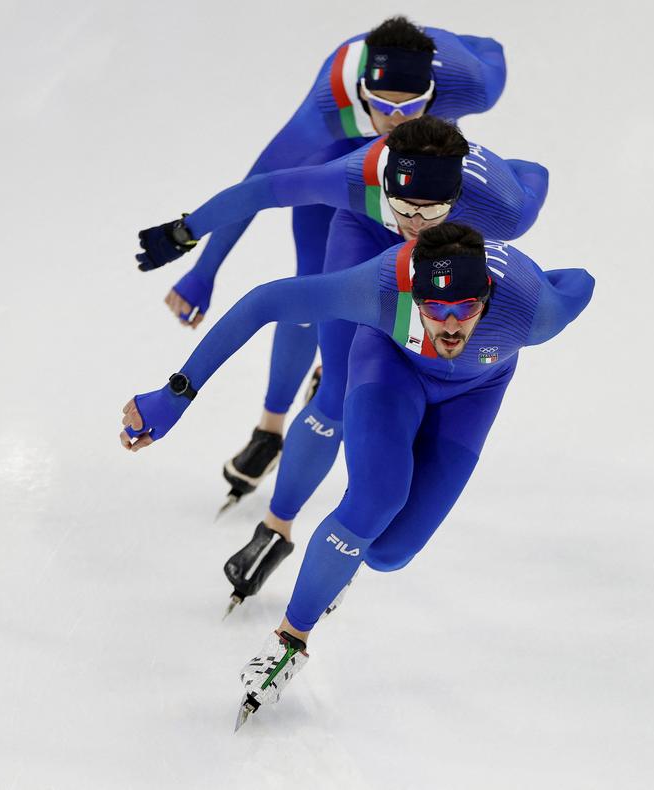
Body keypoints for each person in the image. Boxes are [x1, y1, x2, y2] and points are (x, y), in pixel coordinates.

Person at [119, 222, 595, 726]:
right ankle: (289, 640)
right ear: (416, 297)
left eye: (466, 309)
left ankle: (344, 551)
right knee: (376, 500)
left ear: (489, 295)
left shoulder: (536, 310)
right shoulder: (381, 288)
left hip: (474, 394)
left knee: (390, 553)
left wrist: (528, 275)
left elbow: (580, 280)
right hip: (389, 367)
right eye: (436, 310)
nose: (452, 326)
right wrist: (177, 393)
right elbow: (263, 303)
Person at [135, 116, 550, 608]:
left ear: (459, 199)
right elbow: (265, 187)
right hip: (369, 245)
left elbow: (534, 174)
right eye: (403, 206)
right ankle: (277, 525)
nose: (415, 224)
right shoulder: (357, 179)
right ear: (385, 186)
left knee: (381, 388)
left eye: (432, 209)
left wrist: (496, 170)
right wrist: (187, 232)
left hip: (449, 279)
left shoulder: (504, 209)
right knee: (336, 390)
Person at [136, 16, 507, 504]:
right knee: (310, 293)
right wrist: (204, 264)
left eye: (411, 107)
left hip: (423, 184)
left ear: (435, 94)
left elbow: (490, 48)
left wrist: (443, 42)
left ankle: (339, 378)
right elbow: (261, 185)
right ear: (360, 92)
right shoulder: (325, 109)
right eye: (381, 106)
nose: (396, 120)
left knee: (400, 293)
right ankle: (270, 427)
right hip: (343, 171)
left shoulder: (471, 83)